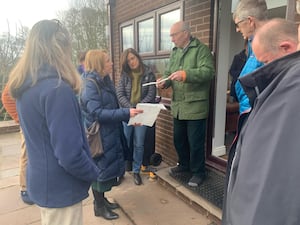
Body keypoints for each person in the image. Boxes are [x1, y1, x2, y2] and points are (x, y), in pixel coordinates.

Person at [7, 19, 101, 225]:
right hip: (61, 187)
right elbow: (70, 155)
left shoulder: (27, 86)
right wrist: (94, 172)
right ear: (60, 49)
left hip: (43, 182)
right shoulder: (57, 90)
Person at [222, 18, 300, 225]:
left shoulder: (291, 92)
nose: (259, 70)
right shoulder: (279, 88)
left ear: (286, 48)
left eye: (264, 62)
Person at [80, 49, 143, 219]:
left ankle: (102, 201)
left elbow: (113, 108)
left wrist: (129, 118)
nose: (112, 63)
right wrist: (126, 114)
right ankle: (99, 207)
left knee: (104, 171)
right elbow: (97, 114)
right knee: (99, 172)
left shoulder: (105, 80)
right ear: (99, 64)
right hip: (100, 137)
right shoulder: (90, 85)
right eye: (108, 60)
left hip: (110, 133)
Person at [156, 21, 215, 187]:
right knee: (179, 139)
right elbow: (169, 73)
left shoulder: (201, 50)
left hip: (195, 106)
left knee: (195, 142)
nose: (172, 39)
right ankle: (184, 164)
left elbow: (209, 72)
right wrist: (163, 82)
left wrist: (186, 74)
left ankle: (198, 172)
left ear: (185, 33)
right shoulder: (175, 52)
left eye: (174, 35)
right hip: (179, 107)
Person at [116, 48, 156, 185]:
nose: (132, 62)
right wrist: (130, 109)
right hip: (127, 114)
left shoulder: (149, 74)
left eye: (133, 58)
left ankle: (136, 171)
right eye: (128, 61)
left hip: (142, 114)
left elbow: (151, 94)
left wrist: (138, 109)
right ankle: (120, 171)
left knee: (139, 144)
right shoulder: (124, 76)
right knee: (125, 142)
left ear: (137, 57)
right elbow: (120, 95)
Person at [233, 0, 268, 114]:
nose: (237, 29)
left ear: (250, 21)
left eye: (238, 24)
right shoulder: (252, 42)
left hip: (257, 113)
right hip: (248, 110)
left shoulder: (269, 44)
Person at [1, 84, 34, 205]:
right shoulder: (24, 72)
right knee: (26, 154)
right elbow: (6, 96)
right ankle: (25, 189)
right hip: (28, 122)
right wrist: (19, 117)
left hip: (37, 121)